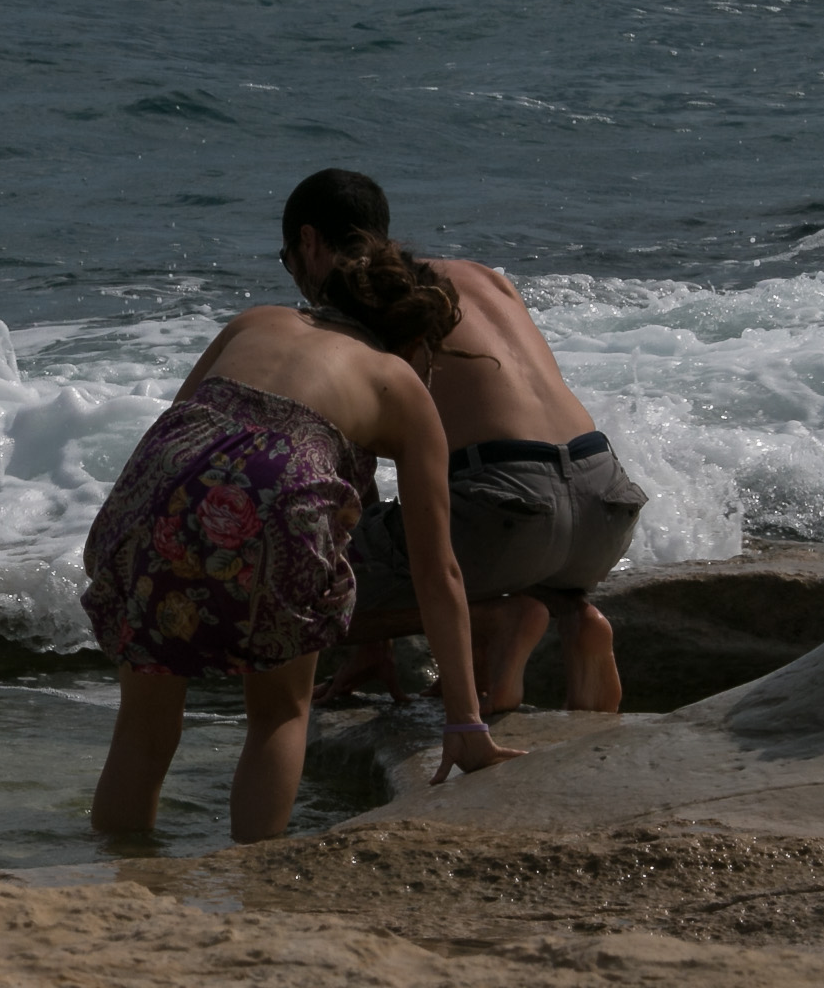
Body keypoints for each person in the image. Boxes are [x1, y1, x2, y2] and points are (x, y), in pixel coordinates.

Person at [82, 173, 524, 845]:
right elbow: (438, 572)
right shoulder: (401, 386)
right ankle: (252, 874)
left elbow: (183, 429)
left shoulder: (256, 321)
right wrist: (464, 721)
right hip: (280, 491)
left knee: (144, 722)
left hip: (159, 486)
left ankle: (113, 871)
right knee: (278, 715)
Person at [299, 175, 646, 716]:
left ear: (308, 243)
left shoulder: (360, 304)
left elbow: (351, 471)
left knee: (295, 584)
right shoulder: (481, 278)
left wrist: (369, 638)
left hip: (507, 510)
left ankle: (496, 622)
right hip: (605, 503)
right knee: (475, 522)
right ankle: (575, 617)